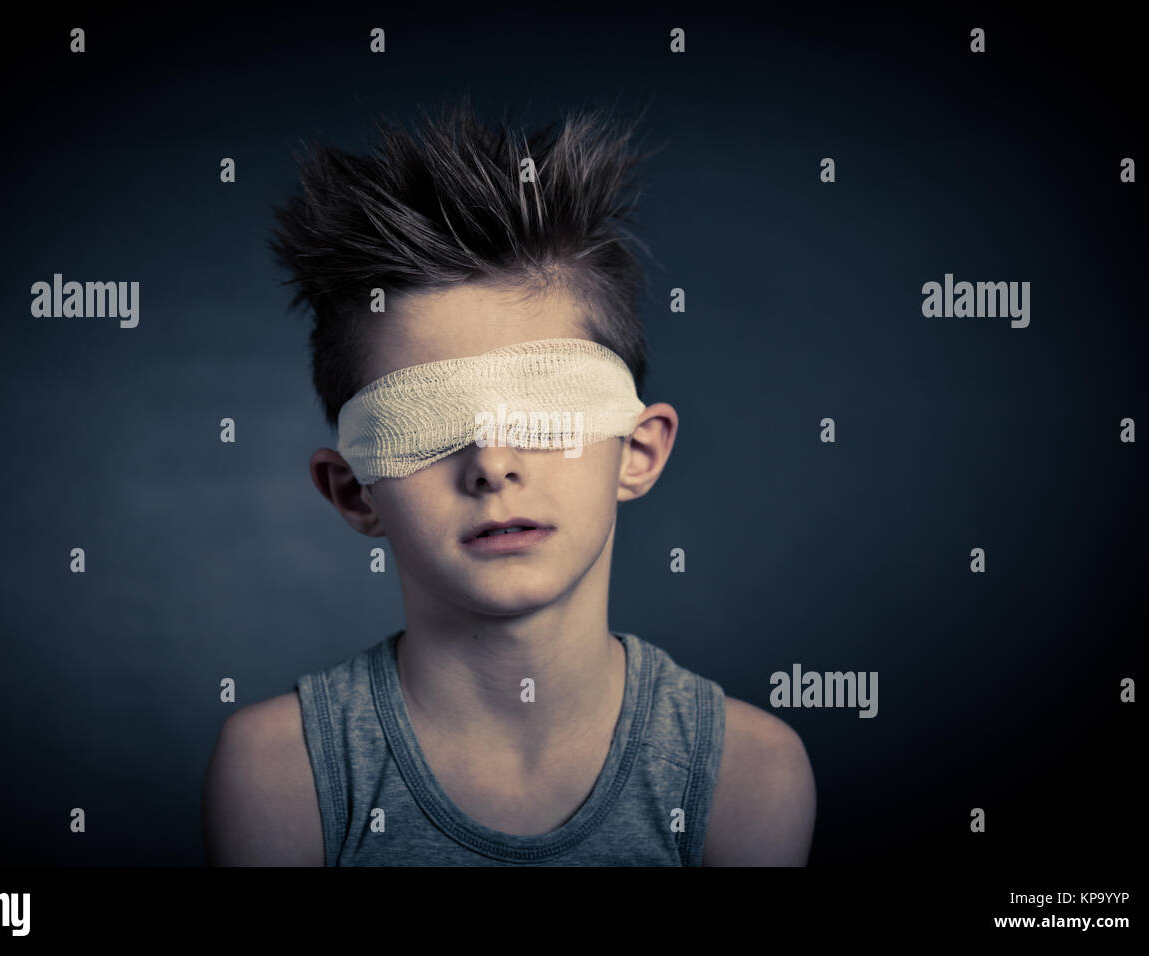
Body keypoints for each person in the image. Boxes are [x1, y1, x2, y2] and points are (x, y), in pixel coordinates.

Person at [201, 95, 815, 866]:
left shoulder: (747, 774)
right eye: (427, 422)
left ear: (639, 450)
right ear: (354, 491)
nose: (493, 463)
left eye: (548, 409)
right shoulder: (279, 772)